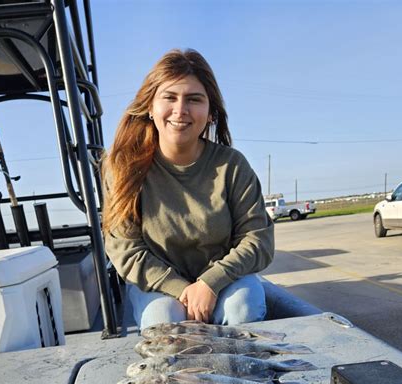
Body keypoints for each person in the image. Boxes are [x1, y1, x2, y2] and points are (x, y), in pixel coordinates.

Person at [102, 49, 274, 330]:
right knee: (165, 320)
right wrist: (183, 290)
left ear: (211, 113)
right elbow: (126, 250)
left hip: (224, 281)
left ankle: (238, 370)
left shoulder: (232, 165)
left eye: (194, 99)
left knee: (242, 305)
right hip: (158, 287)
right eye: (169, 97)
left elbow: (258, 240)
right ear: (150, 106)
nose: (180, 111)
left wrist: (210, 282)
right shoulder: (122, 167)